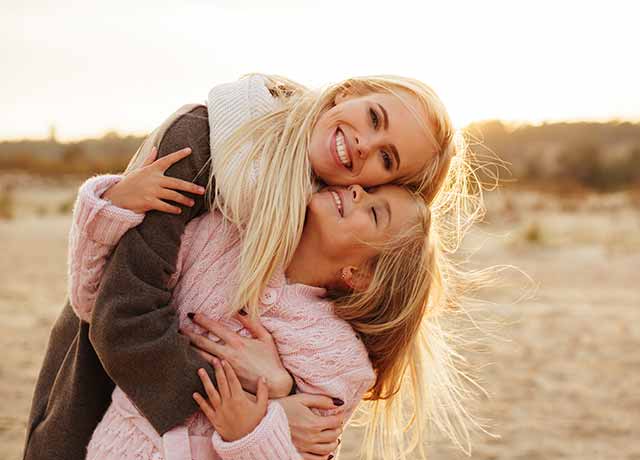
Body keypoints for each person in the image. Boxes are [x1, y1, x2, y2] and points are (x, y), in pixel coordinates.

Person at [24, 73, 477, 460]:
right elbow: (121, 317)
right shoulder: (207, 141)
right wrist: (266, 411)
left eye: (386, 158)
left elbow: (315, 433)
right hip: (92, 398)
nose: (364, 144)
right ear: (349, 92)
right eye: (374, 117)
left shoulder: (325, 227)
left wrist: (278, 406)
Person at [69, 173, 432, 459]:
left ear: (361, 275)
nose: (356, 191)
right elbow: (92, 305)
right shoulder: (217, 237)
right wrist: (106, 209)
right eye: (367, 189)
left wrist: (250, 430)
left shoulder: (340, 360)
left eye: (373, 212)